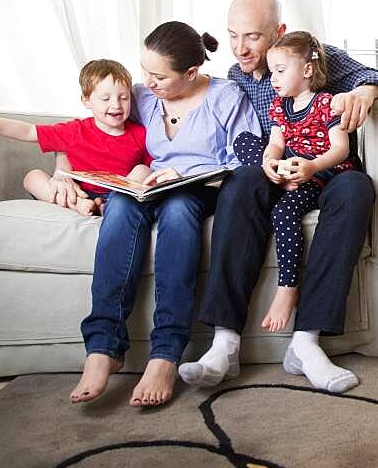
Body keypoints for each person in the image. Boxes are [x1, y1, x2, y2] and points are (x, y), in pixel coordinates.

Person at [179, 0, 378, 394]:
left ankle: (306, 342)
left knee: (357, 188)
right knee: (242, 180)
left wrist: (366, 93)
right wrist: (267, 162)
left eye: (251, 37)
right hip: (276, 174)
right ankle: (225, 343)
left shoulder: (315, 56)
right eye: (232, 36)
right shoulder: (236, 79)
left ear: (279, 33)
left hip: (328, 171)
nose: (240, 49)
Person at [70, 21, 260, 407]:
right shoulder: (141, 97)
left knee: (177, 213)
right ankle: (103, 345)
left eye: (158, 76)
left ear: (191, 73)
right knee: (121, 205)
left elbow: (248, 159)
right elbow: (90, 130)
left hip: (199, 191)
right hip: (148, 187)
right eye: (144, 72)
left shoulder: (225, 97)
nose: (147, 83)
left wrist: (187, 175)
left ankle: (165, 354)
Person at [232, 31, 356, 333]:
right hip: (291, 165)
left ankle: (288, 287)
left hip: (321, 172)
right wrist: (269, 161)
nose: (273, 78)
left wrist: (312, 167)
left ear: (307, 70)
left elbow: (341, 149)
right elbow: (275, 143)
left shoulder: (327, 103)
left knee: (283, 213)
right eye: (272, 71)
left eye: (280, 71)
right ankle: (278, 179)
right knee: (245, 141)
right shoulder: (279, 106)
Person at [0, 60, 151, 215]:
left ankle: (109, 207)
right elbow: (27, 131)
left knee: (143, 170)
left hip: (120, 196)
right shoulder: (74, 130)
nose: (116, 105)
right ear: (86, 101)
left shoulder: (140, 133)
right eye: (105, 98)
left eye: (123, 97)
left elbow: (154, 169)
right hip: (78, 192)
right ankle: (79, 206)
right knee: (33, 177)